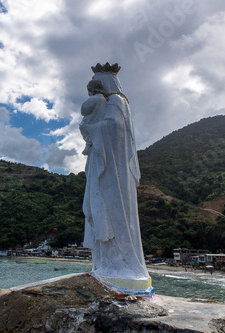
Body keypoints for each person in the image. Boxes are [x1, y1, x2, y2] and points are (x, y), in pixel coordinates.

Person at [81, 63, 153, 297]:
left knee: (113, 216)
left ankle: (120, 267)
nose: (96, 90)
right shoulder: (106, 104)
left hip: (113, 174)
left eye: (100, 83)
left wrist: (90, 128)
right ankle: (105, 265)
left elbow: (114, 129)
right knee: (99, 212)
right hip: (102, 168)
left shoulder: (117, 103)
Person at [79, 79, 106, 155]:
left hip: (90, 122)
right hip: (98, 121)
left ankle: (88, 143)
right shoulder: (104, 99)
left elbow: (83, 111)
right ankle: (88, 143)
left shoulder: (93, 99)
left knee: (82, 126)